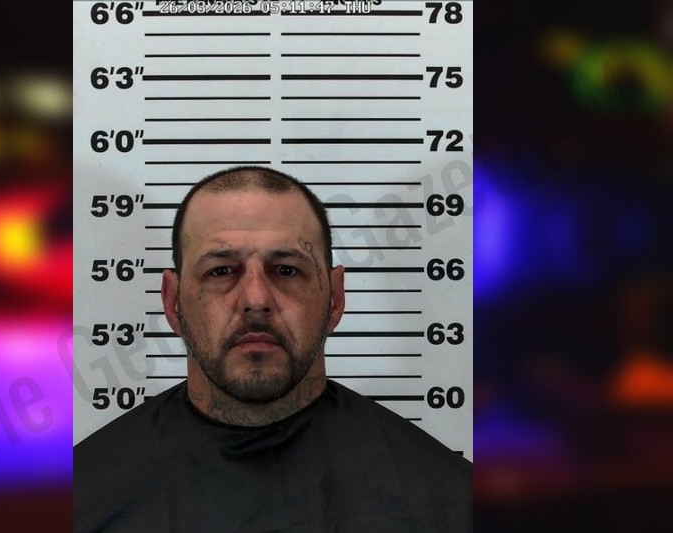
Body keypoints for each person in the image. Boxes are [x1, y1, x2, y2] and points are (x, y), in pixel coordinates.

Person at [74, 166, 472, 532]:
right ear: (172, 301)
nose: (256, 299)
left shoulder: (450, 504)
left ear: (335, 298)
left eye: (286, 270)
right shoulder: (80, 500)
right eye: (220, 271)